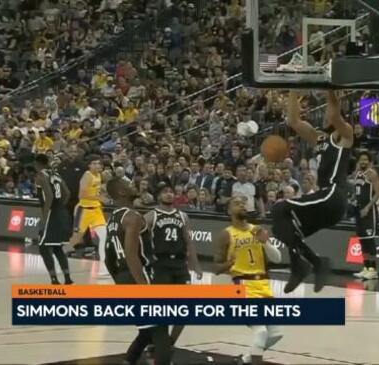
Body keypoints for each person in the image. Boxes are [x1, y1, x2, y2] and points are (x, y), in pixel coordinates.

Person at [271, 91, 352, 293]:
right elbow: (293, 120)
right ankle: (311, 264)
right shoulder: (320, 139)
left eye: (327, 110)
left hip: (334, 195)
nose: (325, 113)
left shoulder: (344, 135)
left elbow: (334, 115)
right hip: (328, 202)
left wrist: (330, 90)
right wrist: (292, 91)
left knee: (279, 208)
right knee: (283, 229)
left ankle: (308, 265)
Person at [103, 178, 171, 365]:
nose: (133, 185)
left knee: (146, 330)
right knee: (161, 330)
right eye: (128, 184)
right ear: (122, 193)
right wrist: (144, 287)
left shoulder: (112, 220)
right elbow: (132, 256)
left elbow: (107, 258)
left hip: (123, 278)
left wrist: (119, 282)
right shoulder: (132, 217)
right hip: (139, 276)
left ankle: (128, 361)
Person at [213, 197, 283, 365]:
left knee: (275, 334)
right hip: (243, 285)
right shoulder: (226, 234)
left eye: (244, 203)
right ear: (229, 210)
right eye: (237, 203)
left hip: (263, 284)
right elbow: (216, 268)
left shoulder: (257, 230)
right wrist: (230, 263)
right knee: (261, 333)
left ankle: (245, 359)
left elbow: (278, 258)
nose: (242, 205)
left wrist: (265, 242)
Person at [143, 182, 203, 354]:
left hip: (179, 265)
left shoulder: (183, 216)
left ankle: (169, 342)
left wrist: (196, 266)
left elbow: (189, 242)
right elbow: (139, 240)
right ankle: (158, 340)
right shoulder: (150, 216)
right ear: (158, 196)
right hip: (160, 265)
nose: (169, 194)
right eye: (164, 192)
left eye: (171, 191)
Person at [34, 154, 73, 284]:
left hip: (51, 213)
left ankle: (54, 279)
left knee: (43, 247)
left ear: (37, 163)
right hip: (61, 212)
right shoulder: (56, 174)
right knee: (57, 247)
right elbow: (67, 193)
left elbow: (49, 196)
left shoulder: (41, 175)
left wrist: (45, 216)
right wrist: (60, 206)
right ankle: (67, 278)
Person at [69, 156, 108, 276]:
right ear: (89, 166)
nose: (97, 166)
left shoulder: (99, 176)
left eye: (99, 164)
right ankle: (57, 256)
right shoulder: (87, 175)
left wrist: (103, 195)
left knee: (104, 237)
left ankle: (104, 267)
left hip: (96, 210)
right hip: (84, 210)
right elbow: (81, 195)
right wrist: (100, 198)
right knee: (75, 240)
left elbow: (96, 191)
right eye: (94, 163)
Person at [352, 151, 379, 280]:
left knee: (370, 241)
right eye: (361, 159)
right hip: (358, 210)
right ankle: (366, 267)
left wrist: (368, 207)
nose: (363, 161)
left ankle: (373, 270)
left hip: (369, 211)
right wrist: (353, 199)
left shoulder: (372, 174)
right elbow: (357, 190)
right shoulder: (358, 174)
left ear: (369, 161)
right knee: (362, 240)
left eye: (365, 159)